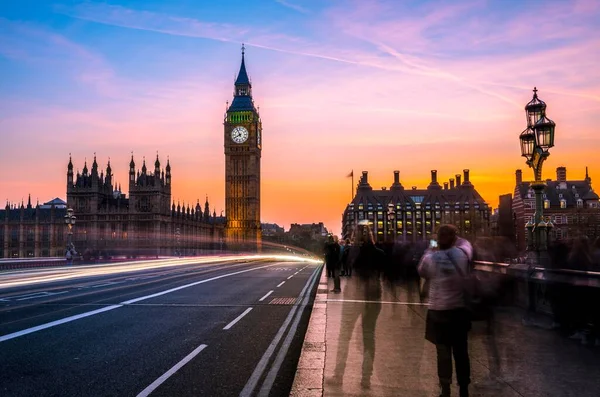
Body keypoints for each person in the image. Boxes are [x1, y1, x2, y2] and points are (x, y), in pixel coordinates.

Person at [419, 225, 471, 397]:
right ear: (454, 238)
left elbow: (421, 271)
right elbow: (468, 247)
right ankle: (463, 387)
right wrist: (458, 239)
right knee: (461, 351)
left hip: (438, 310)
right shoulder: (461, 254)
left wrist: (431, 248)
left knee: (443, 351)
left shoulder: (431, 258)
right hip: (458, 309)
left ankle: (445, 387)